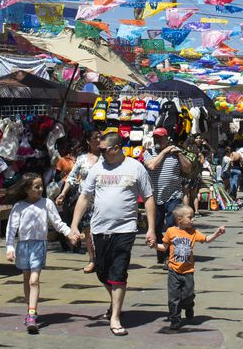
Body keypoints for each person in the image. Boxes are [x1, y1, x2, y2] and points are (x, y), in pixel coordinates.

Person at [68, 131, 156, 337]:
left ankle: (115, 316)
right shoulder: (97, 168)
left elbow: (149, 198)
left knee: (118, 271)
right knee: (101, 271)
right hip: (99, 229)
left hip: (125, 229)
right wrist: (74, 225)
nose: (100, 152)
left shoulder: (135, 167)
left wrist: (151, 229)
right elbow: (84, 197)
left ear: (116, 148)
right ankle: (115, 301)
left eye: (104, 150)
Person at [5, 173, 72, 335]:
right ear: (27, 189)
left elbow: (57, 222)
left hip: (39, 246)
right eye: (36, 187)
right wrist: (9, 247)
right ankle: (30, 309)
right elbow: (11, 228)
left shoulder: (47, 203)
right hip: (23, 246)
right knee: (27, 279)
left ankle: (32, 314)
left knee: (34, 280)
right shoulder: (19, 206)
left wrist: (70, 233)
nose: (41, 189)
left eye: (41, 186)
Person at [156, 205, 227, 333]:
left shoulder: (193, 232)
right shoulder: (171, 231)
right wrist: (154, 245)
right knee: (173, 298)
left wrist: (217, 233)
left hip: (188, 271)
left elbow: (206, 239)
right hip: (173, 270)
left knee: (187, 296)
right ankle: (175, 320)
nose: (193, 220)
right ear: (179, 220)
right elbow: (164, 247)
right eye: (190, 217)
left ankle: (189, 306)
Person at [143, 128, 192, 265]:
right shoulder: (149, 153)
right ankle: (161, 254)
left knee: (172, 226)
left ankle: (170, 256)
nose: (157, 140)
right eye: (155, 138)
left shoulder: (175, 154)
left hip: (173, 196)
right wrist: (165, 152)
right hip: (154, 198)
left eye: (160, 138)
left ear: (166, 139)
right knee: (157, 228)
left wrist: (179, 154)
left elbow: (188, 168)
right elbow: (152, 166)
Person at [56, 129, 102, 272]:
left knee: (102, 231)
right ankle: (92, 260)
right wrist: (63, 193)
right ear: (88, 141)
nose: (99, 140)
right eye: (95, 137)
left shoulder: (107, 157)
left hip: (103, 200)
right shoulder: (82, 159)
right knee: (88, 231)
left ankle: (103, 258)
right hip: (86, 201)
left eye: (100, 137)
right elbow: (72, 177)